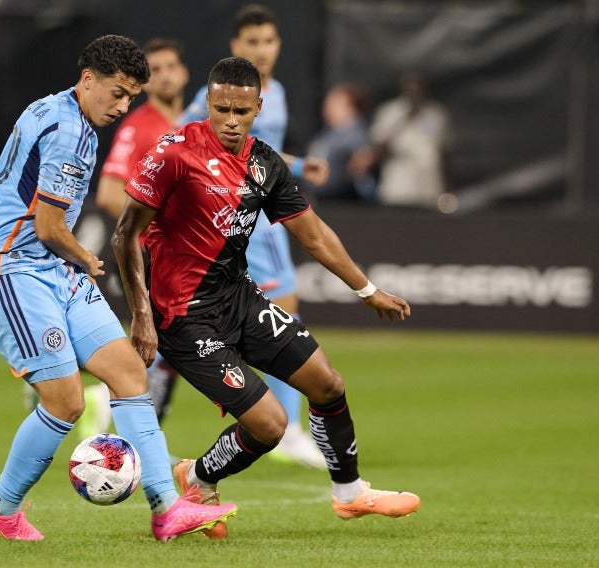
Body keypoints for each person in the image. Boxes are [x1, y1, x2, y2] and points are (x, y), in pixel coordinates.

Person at [112, 56, 421, 538]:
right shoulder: (173, 153)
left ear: (258, 107)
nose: (231, 121)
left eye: (242, 111)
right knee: (270, 426)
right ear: (208, 104)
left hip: (239, 299)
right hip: (184, 317)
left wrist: (366, 289)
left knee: (327, 383)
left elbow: (312, 234)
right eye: (221, 109)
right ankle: (199, 479)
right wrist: (141, 315)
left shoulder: (264, 163)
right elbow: (124, 235)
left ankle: (349, 494)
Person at [0, 35, 236, 542]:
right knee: (66, 402)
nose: (122, 106)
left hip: (50, 270)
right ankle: (2, 509)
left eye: (131, 96)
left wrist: (72, 261)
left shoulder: (61, 112)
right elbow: (49, 227)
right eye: (117, 92)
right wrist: (87, 258)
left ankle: (166, 509)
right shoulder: (70, 130)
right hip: (12, 271)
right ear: (88, 79)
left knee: (130, 373)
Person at [178, 3, 327, 469]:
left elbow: (260, 150)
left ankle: (114, 393)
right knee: (282, 307)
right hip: (243, 219)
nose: (262, 50)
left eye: (268, 41)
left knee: (230, 315)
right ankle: (290, 429)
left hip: (264, 213)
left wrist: (296, 167)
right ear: (235, 46)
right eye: (252, 42)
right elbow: (187, 136)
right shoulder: (219, 96)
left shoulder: (274, 93)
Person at [62, 38, 190, 439]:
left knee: (175, 344)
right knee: (175, 341)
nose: (165, 75)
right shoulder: (138, 126)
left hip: (183, 256)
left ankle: (113, 408)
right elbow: (108, 193)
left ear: (185, 73)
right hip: (152, 253)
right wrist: (161, 223)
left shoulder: (192, 125)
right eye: (157, 69)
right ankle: (118, 413)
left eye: (171, 66)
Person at [349, 70, 453, 209]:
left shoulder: (437, 115)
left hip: (429, 189)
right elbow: (377, 149)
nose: (414, 92)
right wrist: (403, 122)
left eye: (418, 87)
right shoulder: (390, 112)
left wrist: (449, 188)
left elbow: (445, 153)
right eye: (410, 87)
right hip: (398, 189)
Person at [302, 82, 376, 203]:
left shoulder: (356, 133)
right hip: (318, 198)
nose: (327, 108)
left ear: (350, 107)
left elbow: (364, 159)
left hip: (341, 201)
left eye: (334, 103)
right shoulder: (327, 133)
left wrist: (359, 165)